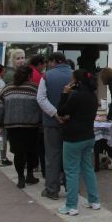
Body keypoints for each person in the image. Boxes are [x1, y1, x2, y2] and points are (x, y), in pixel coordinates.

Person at [55, 69, 101, 215]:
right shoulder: (93, 96)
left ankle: (71, 205)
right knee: (87, 168)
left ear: (76, 81)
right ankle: (94, 200)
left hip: (73, 137)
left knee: (72, 171)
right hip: (88, 136)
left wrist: (64, 94)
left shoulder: (75, 96)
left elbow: (61, 111)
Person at [0, 65, 41, 188]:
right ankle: (30, 175)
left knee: (18, 153)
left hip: (12, 126)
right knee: (32, 151)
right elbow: (41, 105)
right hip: (31, 126)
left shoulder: (7, 88)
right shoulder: (34, 88)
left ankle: (20, 178)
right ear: (29, 76)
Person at [37, 52, 73, 201]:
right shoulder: (74, 74)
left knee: (52, 156)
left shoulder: (47, 76)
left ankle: (52, 189)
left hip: (51, 123)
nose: (48, 65)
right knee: (70, 157)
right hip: (71, 123)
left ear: (54, 61)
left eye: (49, 62)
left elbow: (40, 98)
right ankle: (70, 187)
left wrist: (54, 113)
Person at [28, 54, 47, 176]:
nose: (45, 66)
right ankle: (35, 165)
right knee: (37, 142)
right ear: (39, 64)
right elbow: (39, 95)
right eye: (44, 64)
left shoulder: (31, 71)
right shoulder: (35, 74)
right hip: (35, 111)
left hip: (31, 111)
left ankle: (33, 164)